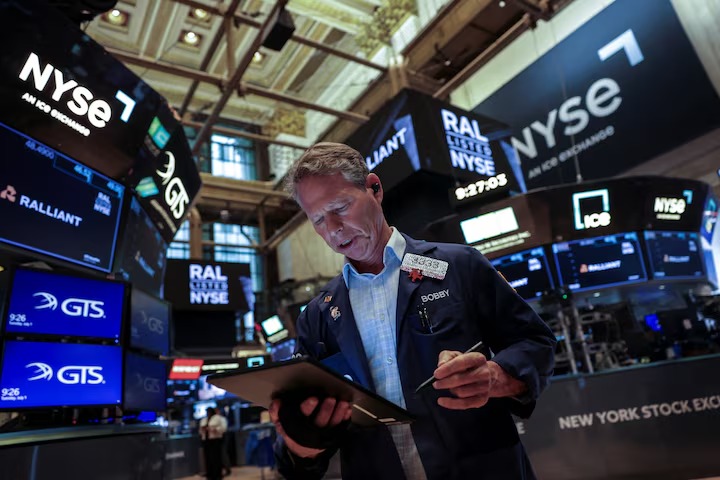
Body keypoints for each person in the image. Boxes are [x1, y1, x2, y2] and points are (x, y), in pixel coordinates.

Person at [270, 142, 556, 480]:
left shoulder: (459, 266)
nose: (332, 228)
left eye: (341, 207)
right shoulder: (318, 315)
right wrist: (300, 444)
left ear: (374, 188)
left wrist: (497, 376)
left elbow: (535, 342)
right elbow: (304, 441)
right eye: (318, 219)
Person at [200, 406, 228, 480]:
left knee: (216, 458)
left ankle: (217, 475)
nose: (207, 413)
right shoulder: (204, 419)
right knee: (208, 458)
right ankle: (210, 474)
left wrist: (213, 429)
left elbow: (223, 429)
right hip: (206, 440)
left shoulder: (218, 418)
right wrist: (203, 429)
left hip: (215, 440)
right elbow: (200, 430)